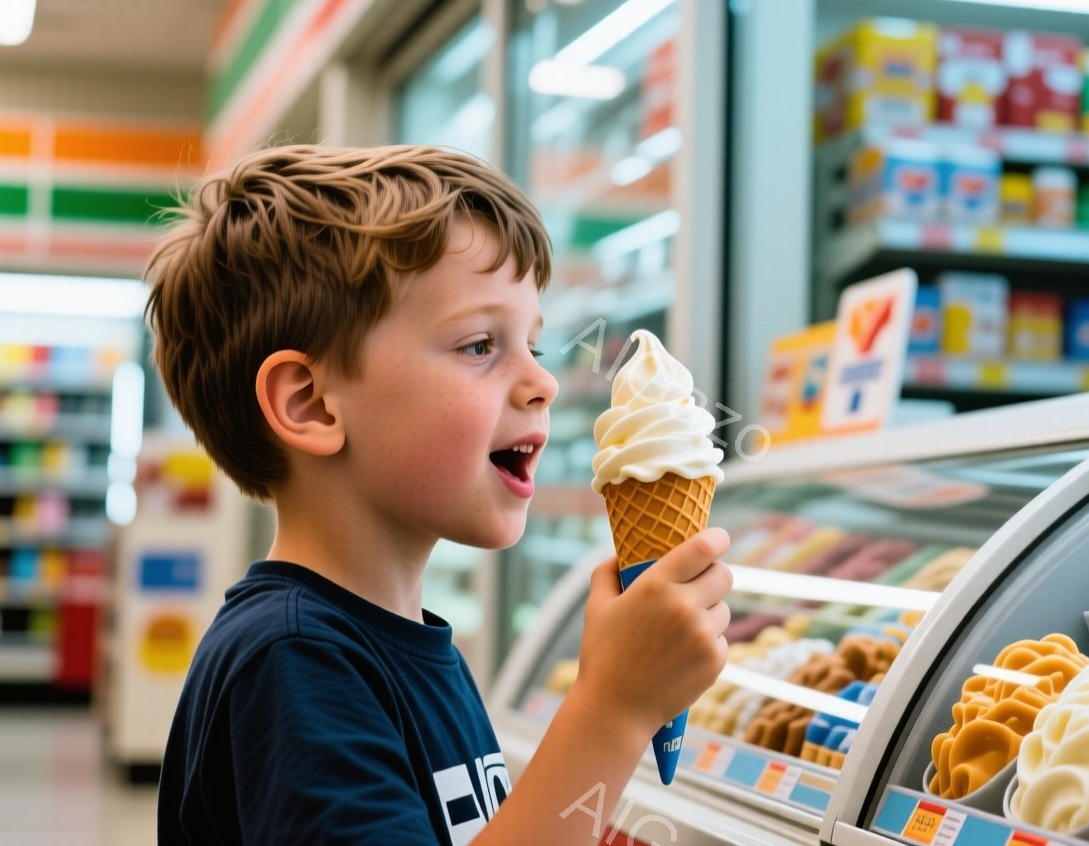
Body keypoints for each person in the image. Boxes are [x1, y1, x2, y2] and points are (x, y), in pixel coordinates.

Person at [146, 145, 732, 845]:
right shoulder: (292, 661)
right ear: (311, 404)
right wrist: (615, 708)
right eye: (481, 344)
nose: (541, 382)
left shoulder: (415, 650)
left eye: (535, 347)